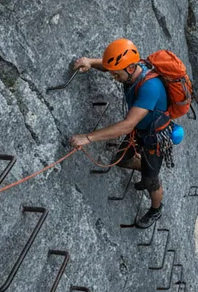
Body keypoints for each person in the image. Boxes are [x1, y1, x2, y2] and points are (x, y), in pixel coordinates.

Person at [68, 38, 169, 228]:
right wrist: (90, 61)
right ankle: (143, 168)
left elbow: (127, 125)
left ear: (130, 69)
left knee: (151, 180)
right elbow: (110, 67)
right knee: (121, 159)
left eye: (117, 75)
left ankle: (156, 209)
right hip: (141, 130)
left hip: (155, 137)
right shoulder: (132, 69)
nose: (114, 78)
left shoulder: (150, 87)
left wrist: (88, 137)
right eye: (114, 75)